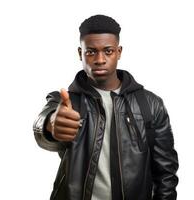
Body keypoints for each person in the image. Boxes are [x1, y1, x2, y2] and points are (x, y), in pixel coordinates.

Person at [33, 14, 179, 200]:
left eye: (108, 51)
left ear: (119, 52)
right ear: (80, 53)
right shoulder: (65, 102)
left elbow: (166, 172)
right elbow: (44, 122)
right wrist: (49, 123)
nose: (100, 59)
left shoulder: (150, 104)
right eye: (91, 52)